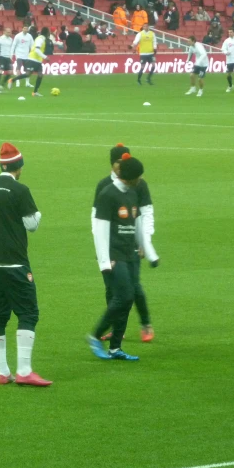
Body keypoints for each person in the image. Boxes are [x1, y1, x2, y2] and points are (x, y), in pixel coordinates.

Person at [0, 143, 51, 387]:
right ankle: (25, 370)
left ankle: (3, 371)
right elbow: (31, 224)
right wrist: (38, 215)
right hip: (15, 262)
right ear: (19, 166)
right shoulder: (19, 190)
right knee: (28, 312)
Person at [92, 144, 158, 343]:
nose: (122, 166)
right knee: (114, 291)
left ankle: (145, 323)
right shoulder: (104, 187)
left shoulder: (137, 185)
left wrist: (144, 242)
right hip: (111, 249)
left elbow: (144, 214)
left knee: (133, 288)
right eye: (119, 162)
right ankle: (115, 330)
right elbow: (97, 221)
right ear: (113, 164)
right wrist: (103, 254)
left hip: (131, 246)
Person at [87, 154, 147, 362]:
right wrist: (104, 260)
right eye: (138, 176)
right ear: (130, 176)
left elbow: (135, 222)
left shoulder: (131, 194)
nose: (140, 179)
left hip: (129, 252)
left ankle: (115, 348)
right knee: (123, 296)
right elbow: (100, 229)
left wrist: (142, 245)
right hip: (113, 255)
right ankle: (95, 336)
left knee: (128, 299)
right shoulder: (108, 194)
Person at [15, 26, 49, 97]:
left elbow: (32, 45)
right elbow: (36, 49)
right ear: (47, 33)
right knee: (28, 74)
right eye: (49, 32)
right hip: (32, 59)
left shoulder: (41, 38)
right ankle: (12, 80)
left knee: (40, 74)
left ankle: (35, 92)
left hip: (38, 60)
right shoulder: (40, 39)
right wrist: (45, 57)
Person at [8, 25, 34, 89]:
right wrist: (11, 54)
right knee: (18, 68)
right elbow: (13, 45)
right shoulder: (18, 36)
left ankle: (27, 83)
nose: (25, 29)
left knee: (27, 69)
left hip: (27, 55)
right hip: (19, 54)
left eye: (27, 28)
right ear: (22, 29)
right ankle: (17, 82)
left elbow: (32, 45)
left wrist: (33, 53)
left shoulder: (29, 36)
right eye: (24, 28)